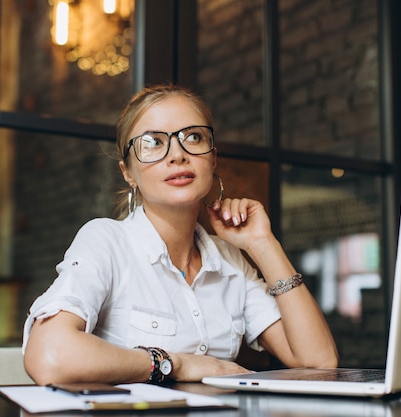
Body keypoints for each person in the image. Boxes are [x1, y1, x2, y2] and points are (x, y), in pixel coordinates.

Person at [22, 84, 338, 385]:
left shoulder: (228, 260)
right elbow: (49, 356)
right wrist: (175, 363)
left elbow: (319, 362)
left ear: (213, 158)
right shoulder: (106, 241)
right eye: (154, 142)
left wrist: (263, 244)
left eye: (194, 137)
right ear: (128, 173)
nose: (177, 155)